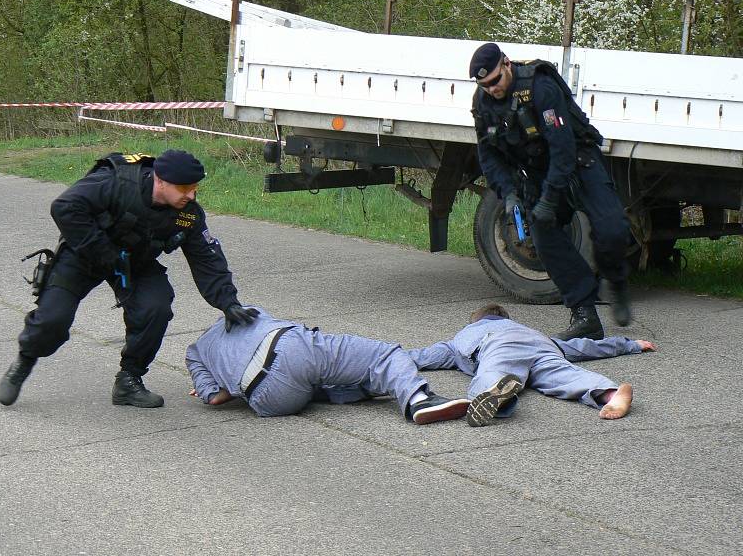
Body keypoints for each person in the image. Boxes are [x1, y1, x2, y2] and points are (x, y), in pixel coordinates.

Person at [0, 149, 259, 408]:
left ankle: (129, 380)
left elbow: (207, 258)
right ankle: (25, 360)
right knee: (53, 319)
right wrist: (104, 252)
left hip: (134, 262)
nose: (191, 195)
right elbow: (65, 207)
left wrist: (228, 301)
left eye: (194, 188)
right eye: (183, 189)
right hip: (86, 253)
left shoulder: (189, 214)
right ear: (160, 180)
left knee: (155, 307)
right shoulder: (116, 183)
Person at [469, 42, 631, 340]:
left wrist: (550, 198)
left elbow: (562, 146)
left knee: (612, 230)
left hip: (577, 161)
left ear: (506, 64)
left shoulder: (540, 87)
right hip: (538, 172)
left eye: (494, 81)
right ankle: (585, 314)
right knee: (544, 238)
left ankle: (616, 280)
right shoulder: (482, 103)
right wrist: (510, 194)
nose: (491, 89)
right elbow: (488, 156)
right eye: (484, 84)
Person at [186, 307, 471, 425]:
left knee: (321, 385)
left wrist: (224, 385)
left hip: (268, 401)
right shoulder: (238, 309)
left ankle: (377, 387)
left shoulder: (196, 352)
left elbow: (214, 399)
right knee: (384, 355)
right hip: (288, 350)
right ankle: (419, 401)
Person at [406, 304, 654, 427]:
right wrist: (629, 344)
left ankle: (493, 392)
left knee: (492, 372)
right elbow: (584, 346)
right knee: (565, 374)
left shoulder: (467, 335)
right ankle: (610, 394)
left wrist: (381, 359)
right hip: (544, 347)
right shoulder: (529, 331)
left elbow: (421, 356)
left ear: (476, 321)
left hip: (497, 346)